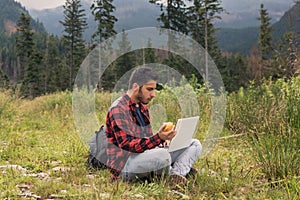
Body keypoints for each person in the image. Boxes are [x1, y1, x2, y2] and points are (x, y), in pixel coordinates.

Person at [105, 66, 202, 187]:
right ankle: (176, 171)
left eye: (154, 89)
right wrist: (158, 138)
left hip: (144, 155)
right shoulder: (118, 109)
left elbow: (145, 139)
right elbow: (128, 145)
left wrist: (162, 140)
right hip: (125, 165)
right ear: (136, 86)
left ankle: (176, 175)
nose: (153, 94)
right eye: (149, 89)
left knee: (194, 144)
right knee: (162, 155)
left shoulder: (142, 108)